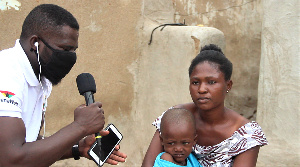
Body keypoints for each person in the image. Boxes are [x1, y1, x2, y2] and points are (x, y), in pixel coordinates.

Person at [0, 4, 126, 166]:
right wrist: (80, 127)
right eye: (65, 49)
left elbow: (26, 141)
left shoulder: (40, 77)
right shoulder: (6, 74)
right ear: (35, 43)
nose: (70, 57)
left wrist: (77, 148)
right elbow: (11, 159)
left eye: (73, 50)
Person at [142, 44, 268, 167]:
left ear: (228, 86)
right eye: (195, 82)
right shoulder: (175, 116)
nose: (202, 89)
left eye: (211, 82)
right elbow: (148, 164)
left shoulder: (246, 135)